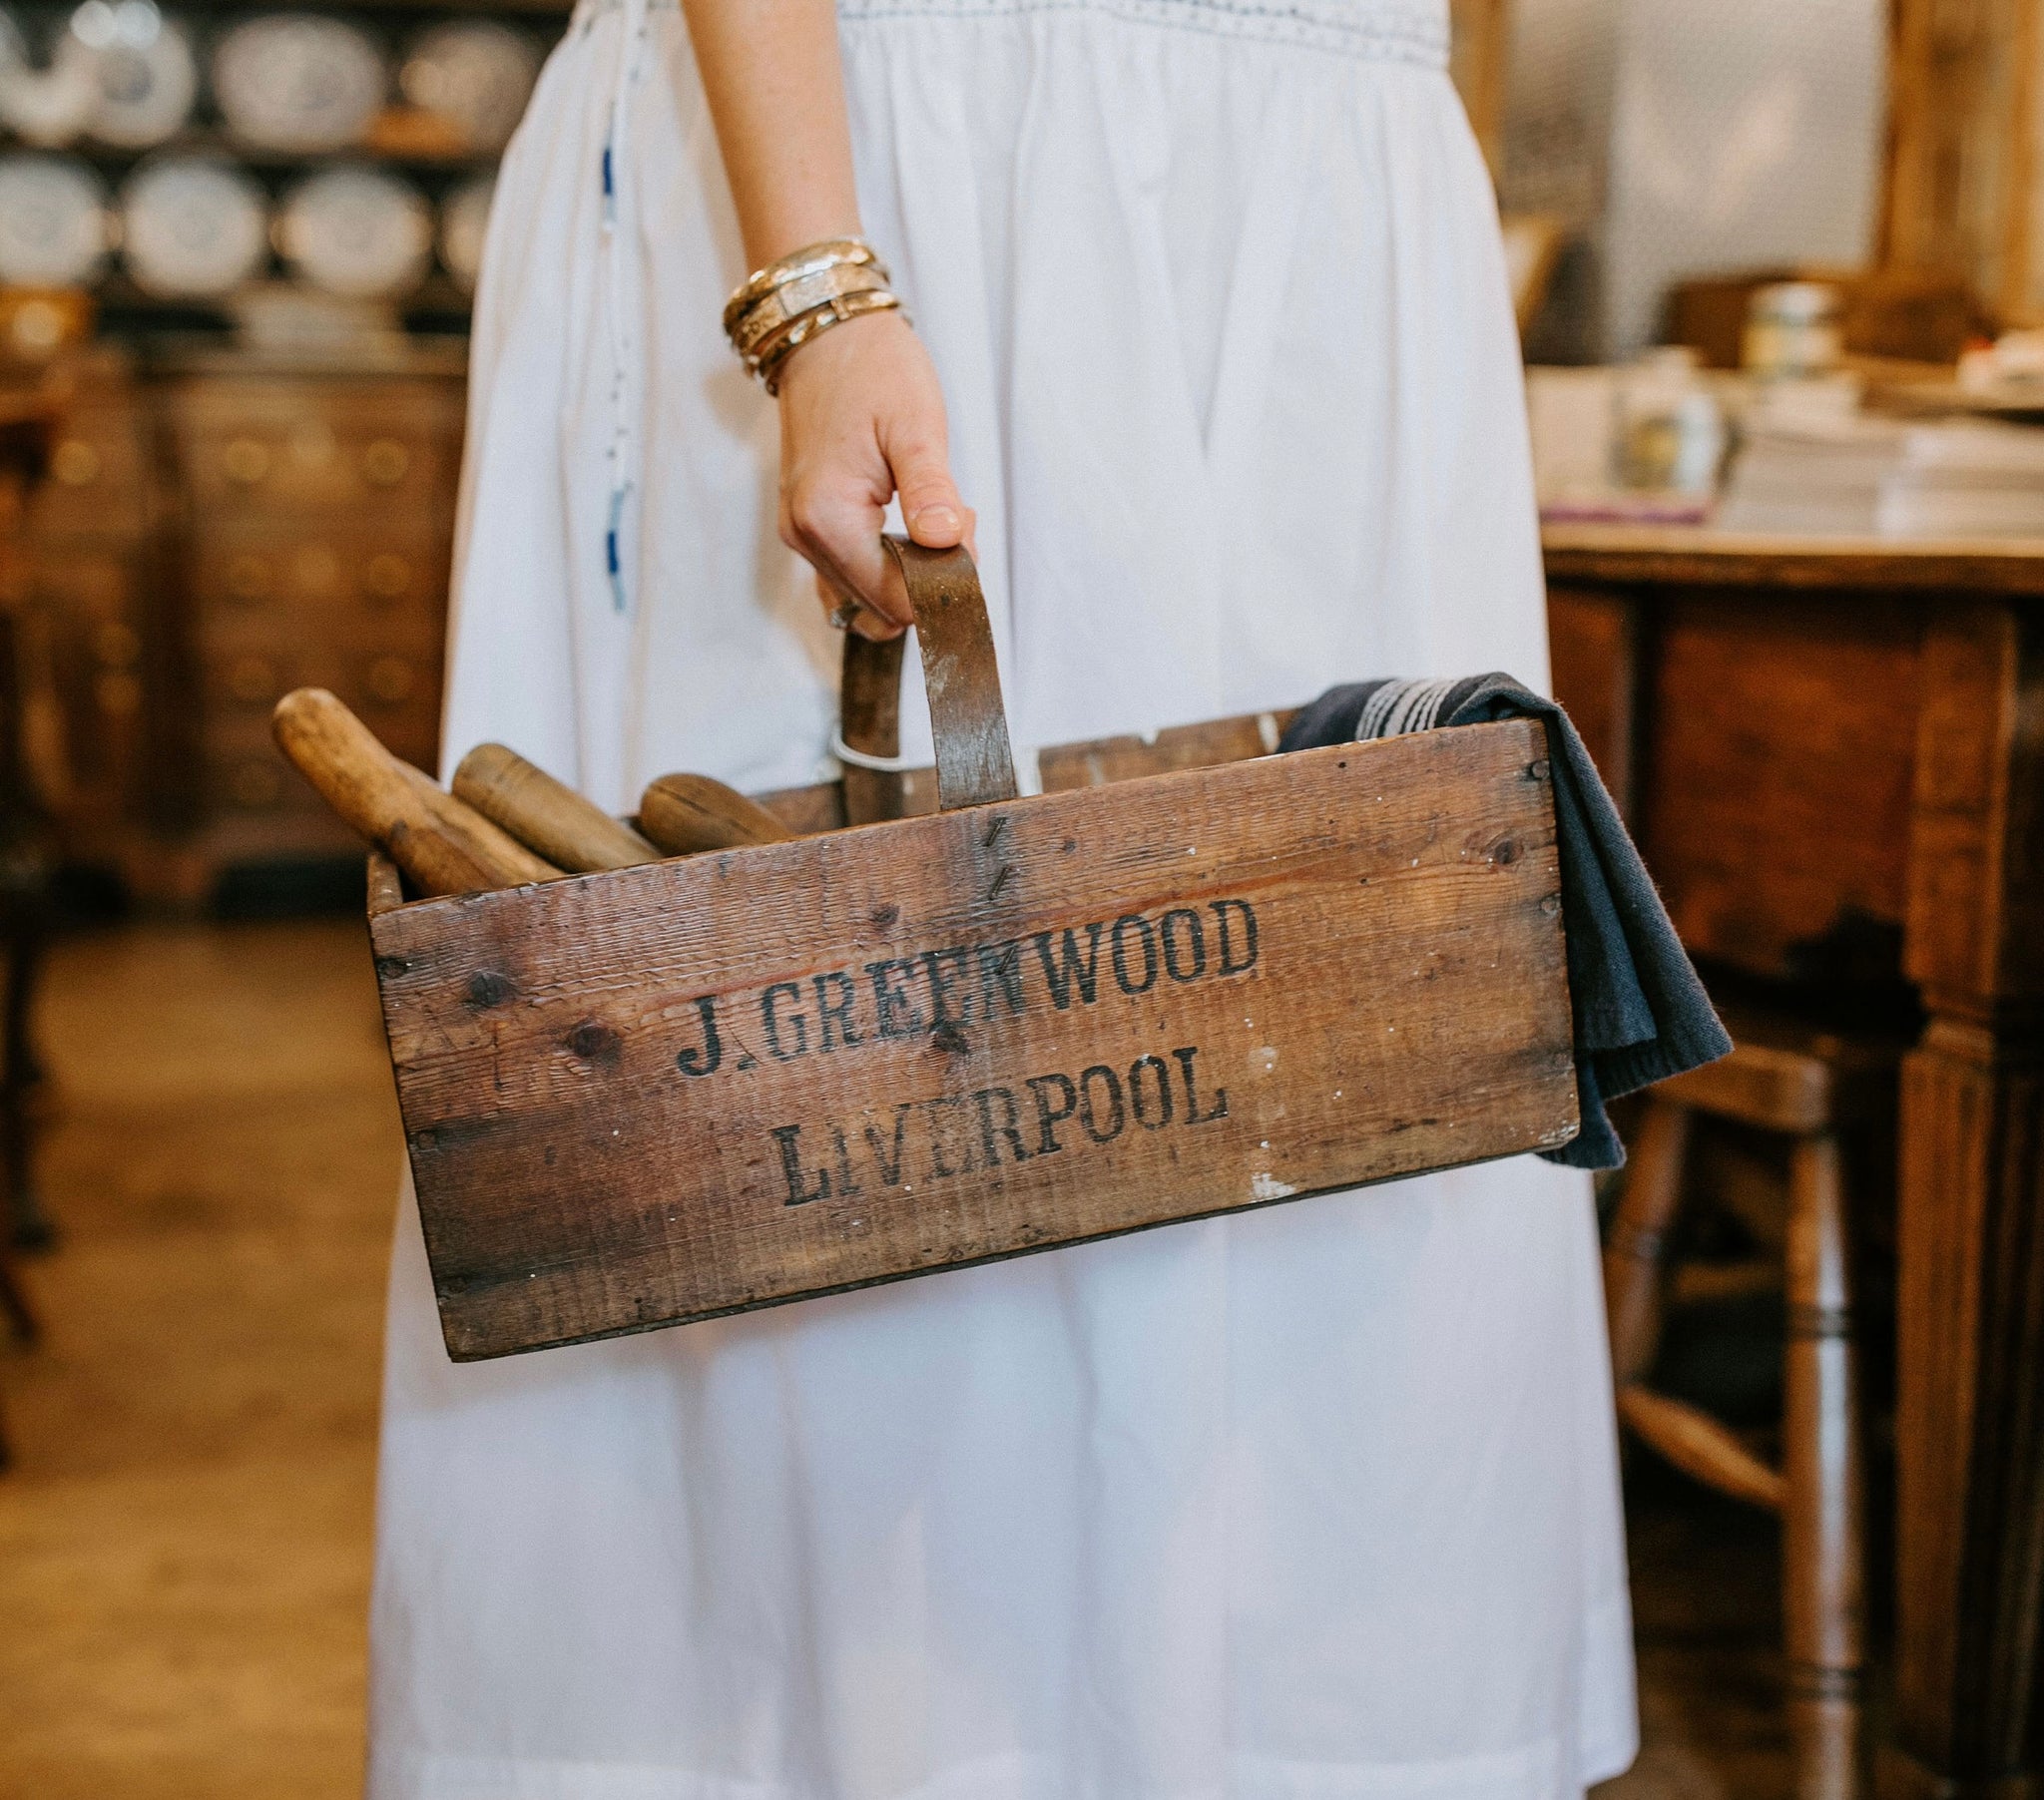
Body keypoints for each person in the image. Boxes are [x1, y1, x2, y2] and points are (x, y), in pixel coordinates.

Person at [366, 0, 1638, 1791]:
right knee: (793, 1110)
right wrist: (815, 286)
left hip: (1315, 201)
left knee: (1329, 1029)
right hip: (881, 140)